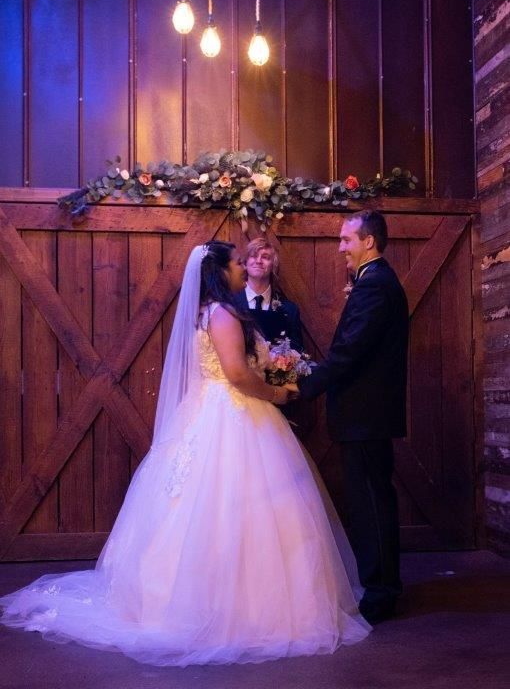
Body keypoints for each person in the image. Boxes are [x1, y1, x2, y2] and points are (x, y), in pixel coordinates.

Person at [0, 241, 370, 667]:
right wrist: (276, 393)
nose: (240, 269)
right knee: (238, 509)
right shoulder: (225, 314)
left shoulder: (207, 313)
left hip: (213, 412)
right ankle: (239, 610)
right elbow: (235, 375)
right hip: (236, 414)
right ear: (219, 271)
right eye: (235, 263)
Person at [296, 210, 409, 625]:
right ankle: (381, 586)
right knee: (371, 500)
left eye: (346, 240)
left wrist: (307, 386)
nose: (340, 247)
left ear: (369, 242)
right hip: (366, 415)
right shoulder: (374, 282)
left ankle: (381, 595)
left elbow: (350, 351)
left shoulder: (375, 285)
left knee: (372, 505)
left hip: (365, 415)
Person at [235, 237, 303, 351]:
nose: (258, 261)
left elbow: (297, 353)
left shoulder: (290, 310)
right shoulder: (229, 304)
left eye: (265, 257)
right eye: (253, 256)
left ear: (273, 265)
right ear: (245, 262)